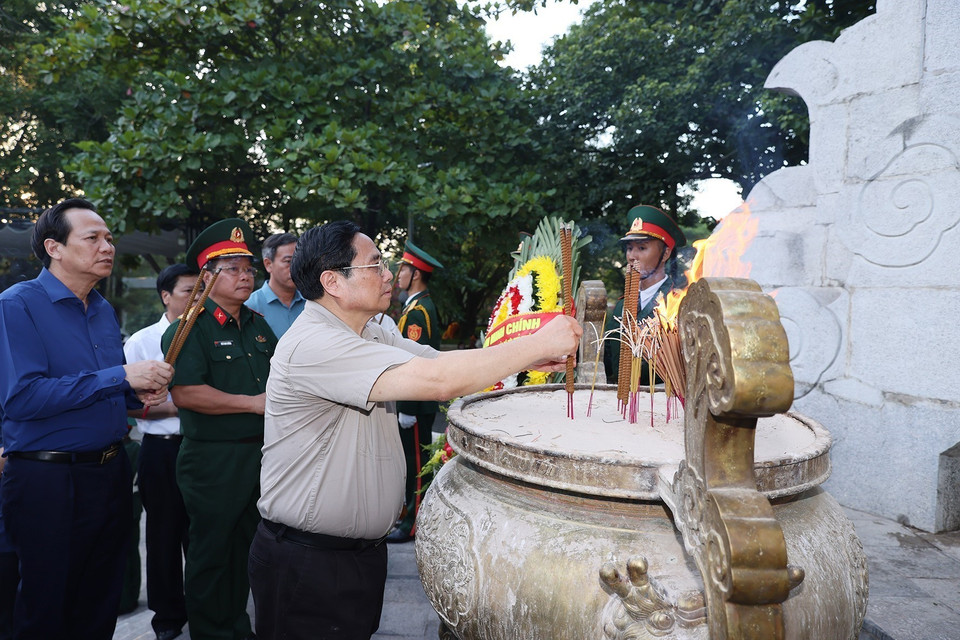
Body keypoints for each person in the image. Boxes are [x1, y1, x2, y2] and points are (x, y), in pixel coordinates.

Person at [248, 220, 581, 640]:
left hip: (352, 557)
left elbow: (436, 362)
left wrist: (525, 357)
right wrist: (537, 343)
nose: (388, 274)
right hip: (309, 562)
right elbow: (438, 382)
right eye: (375, 265)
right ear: (332, 281)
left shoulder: (369, 332)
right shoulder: (314, 344)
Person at [0, 198, 173, 639]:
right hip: (48, 479)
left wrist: (137, 391)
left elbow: (100, 387)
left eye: (109, 238)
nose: (107, 247)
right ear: (54, 247)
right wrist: (121, 376)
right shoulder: (17, 305)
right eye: (93, 238)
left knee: (100, 601)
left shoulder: (100, 309)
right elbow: (22, 398)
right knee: (46, 606)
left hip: (111, 471)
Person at [162, 219, 277, 640]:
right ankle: (211, 632)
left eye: (248, 268)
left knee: (246, 550)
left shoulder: (259, 326)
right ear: (207, 277)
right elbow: (187, 394)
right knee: (211, 554)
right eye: (233, 269)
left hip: (258, 454)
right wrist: (252, 404)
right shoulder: (188, 329)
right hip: (213, 459)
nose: (245, 276)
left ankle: (236, 628)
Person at [124, 263, 197, 640]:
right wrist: (184, 406)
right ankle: (167, 618)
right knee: (163, 536)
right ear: (166, 296)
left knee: (204, 536)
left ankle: (208, 611)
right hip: (162, 449)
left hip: (202, 448)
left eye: (200, 292)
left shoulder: (207, 335)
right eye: (188, 292)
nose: (196, 299)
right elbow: (128, 405)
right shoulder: (141, 342)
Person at [388, 240, 444, 543]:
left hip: (417, 404)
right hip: (417, 402)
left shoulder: (418, 312)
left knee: (417, 466)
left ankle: (413, 523)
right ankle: (409, 515)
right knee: (413, 464)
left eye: (403, 270)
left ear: (416, 274)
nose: (398, 276)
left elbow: (415, 363)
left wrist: (407, 406)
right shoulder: (416, 307)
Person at [602, 204, 687, 384]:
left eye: (642, 248)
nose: (632, 256)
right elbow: (606, 360)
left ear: (665, 254)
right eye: (629, 248)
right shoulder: (621, 306)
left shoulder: (677, 303)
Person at [245, 232, 305, 337]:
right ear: (268, 264)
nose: (296, 267)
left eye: (299, 261)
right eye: (288, 261)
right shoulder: (251, 307)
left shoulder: (311, 303)